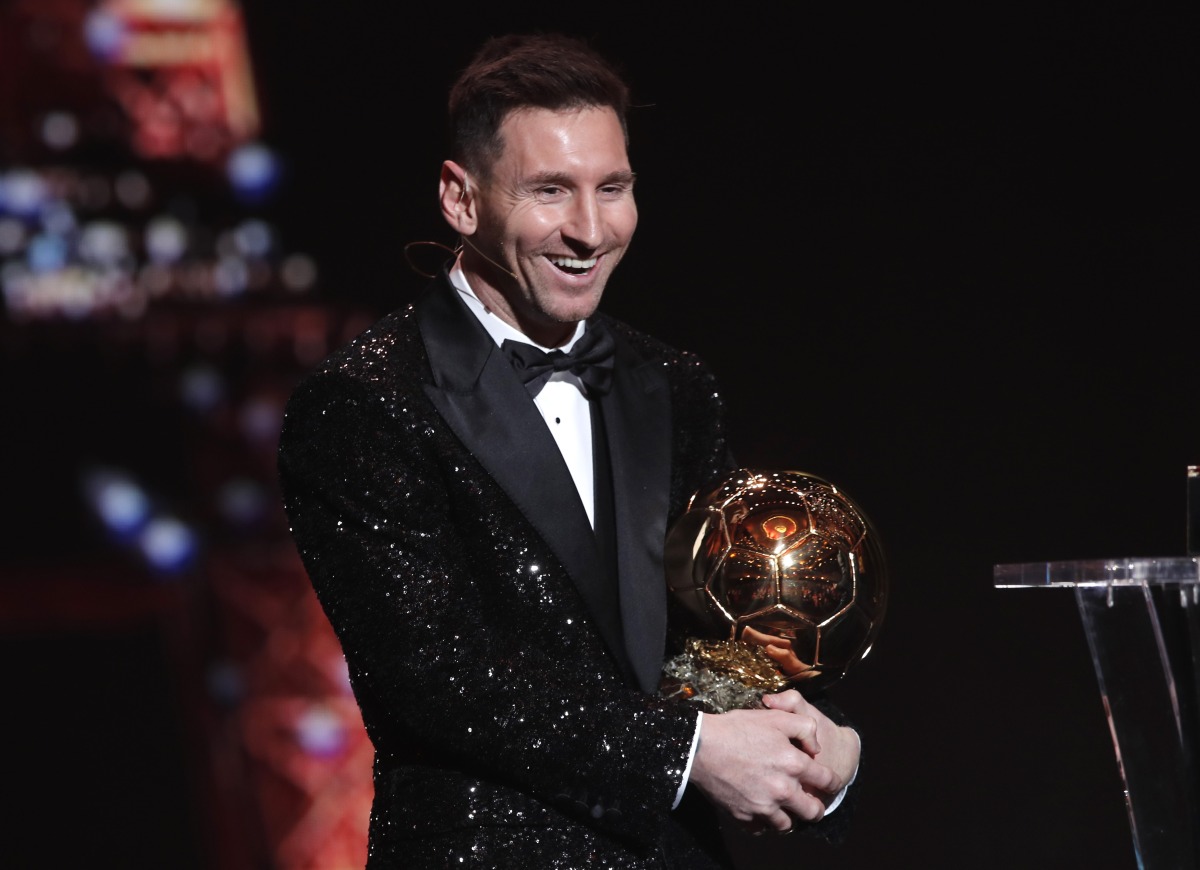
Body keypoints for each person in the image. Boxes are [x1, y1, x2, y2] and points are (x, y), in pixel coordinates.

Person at [277, 32, 861, 869]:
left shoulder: (675, 384)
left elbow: (707, 645)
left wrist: (816, 735)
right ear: (461, 199)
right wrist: (685, 753)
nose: (590, 230)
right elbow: (432, 674)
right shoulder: (366, 401)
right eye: (550, 190)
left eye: (612, 188)